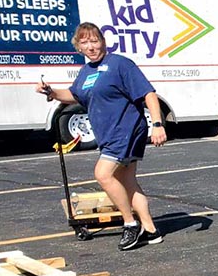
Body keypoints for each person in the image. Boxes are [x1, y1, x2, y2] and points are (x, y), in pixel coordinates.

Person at [36, 22, 166, 251]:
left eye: (94, 41)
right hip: (108, 133)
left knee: (102, 174)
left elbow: (149, 93)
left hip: (125, 129)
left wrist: (157, 124)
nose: (91, 46)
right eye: (85, 42)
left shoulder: (119, 64)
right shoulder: (86, 72)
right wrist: (51, 92)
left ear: (103, 41)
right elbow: (74, 94)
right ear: (79, 47)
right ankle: (152, 231)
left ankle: (130, 224)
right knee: (127, 182)